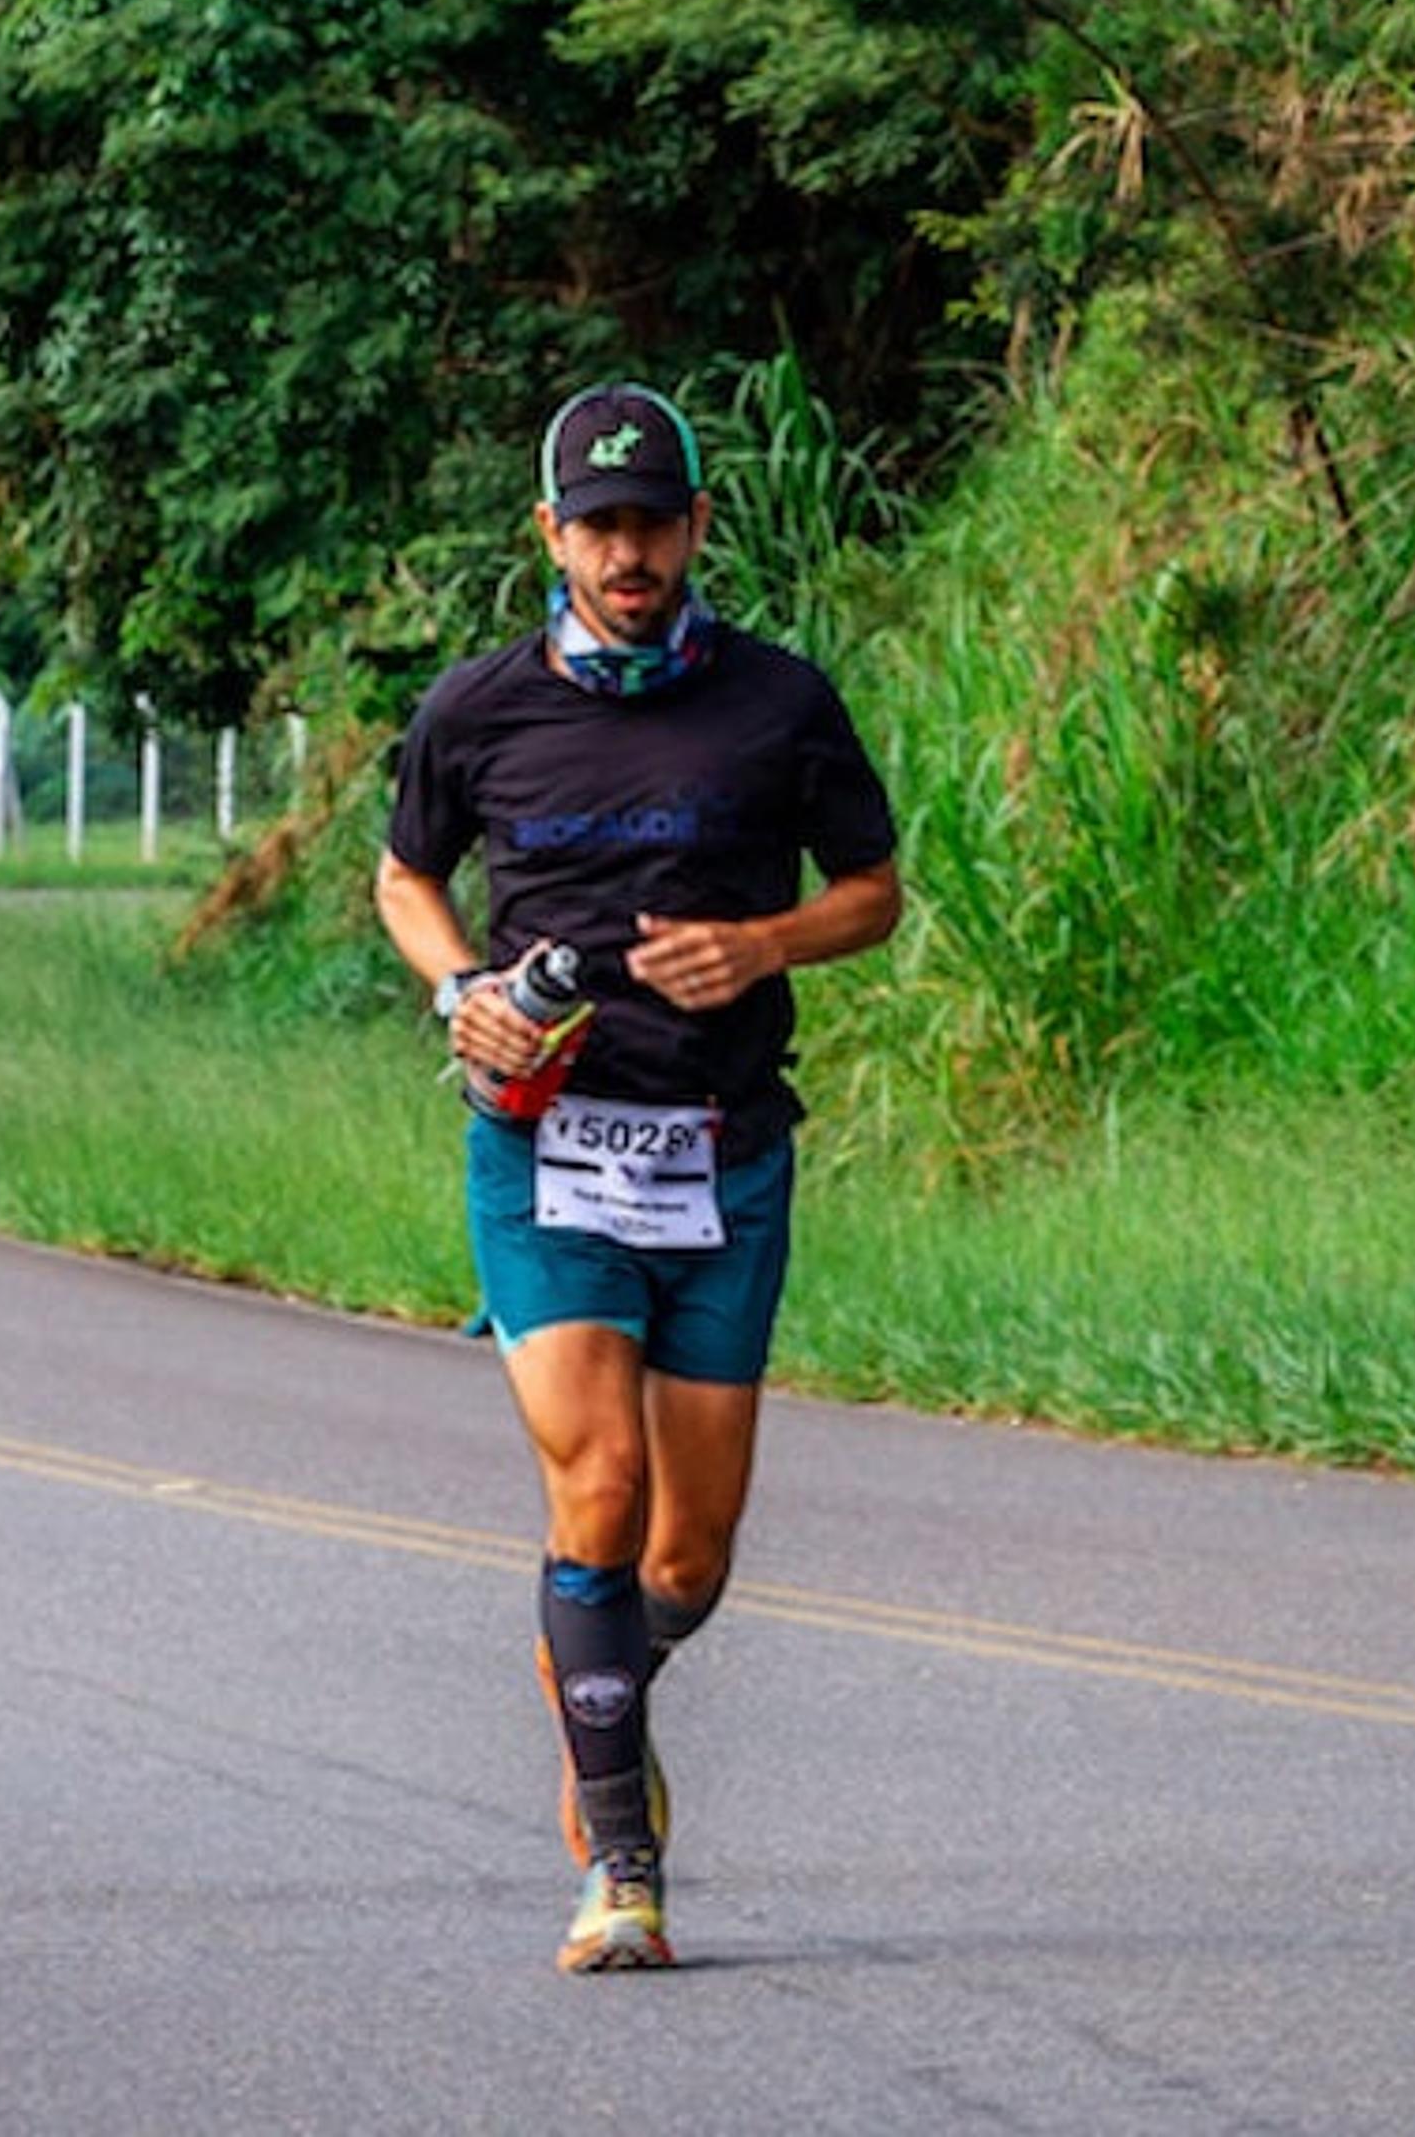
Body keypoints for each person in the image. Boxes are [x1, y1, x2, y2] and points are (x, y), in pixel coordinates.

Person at [374, 380, 903, 1973]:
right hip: (547, 1150)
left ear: (694, 530)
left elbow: (873, 890)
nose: (628, 553)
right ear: (550, 534)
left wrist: (764, 942)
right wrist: (460, 985)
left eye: (652, 524)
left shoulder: (780, 705)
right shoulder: (479, 710)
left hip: (725, 1155)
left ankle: (594, 1665)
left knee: (686, 1555)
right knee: (596, 1484)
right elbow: (407, 874)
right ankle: (622, 1859)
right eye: (598, 526)